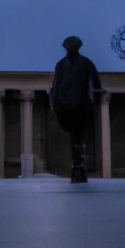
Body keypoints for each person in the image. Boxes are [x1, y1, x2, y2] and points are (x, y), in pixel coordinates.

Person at [50, 36, 104, 184]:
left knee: (76, 138)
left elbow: (97, 84)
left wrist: (95, 104)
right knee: (75, 138)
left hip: (80, 107)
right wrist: (55, 104)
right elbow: (57, 85)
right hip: (65, 107)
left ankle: (78, 165)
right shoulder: (61, 65)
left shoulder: (86, 63)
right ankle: (78, 165)